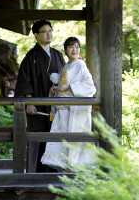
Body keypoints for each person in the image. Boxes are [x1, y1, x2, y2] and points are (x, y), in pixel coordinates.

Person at [14, 20, 65, 173]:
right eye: (45, 31)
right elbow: (25, 79)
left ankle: (55, 172)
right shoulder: (31, 56)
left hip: (55, 104)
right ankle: (34, 173)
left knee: (56, 136)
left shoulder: (57, 55)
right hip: (38, 106)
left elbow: (65, 77)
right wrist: (29, 102)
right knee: (38, 138)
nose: (49, 34)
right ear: (36, 35)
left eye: (50, 31)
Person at [41, 37, 97, 170]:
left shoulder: (81, 65)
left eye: (77, 47)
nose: (74, 50)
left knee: (75, 139)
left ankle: (77, 168)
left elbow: (90, 86)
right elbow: (62, 88)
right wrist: (55, 90)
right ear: (65, 50)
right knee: (62, 139)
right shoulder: (64, 68)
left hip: (75, 109)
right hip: (63, 109)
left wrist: (70, 87)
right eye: (71, 47)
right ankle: (66, 168)